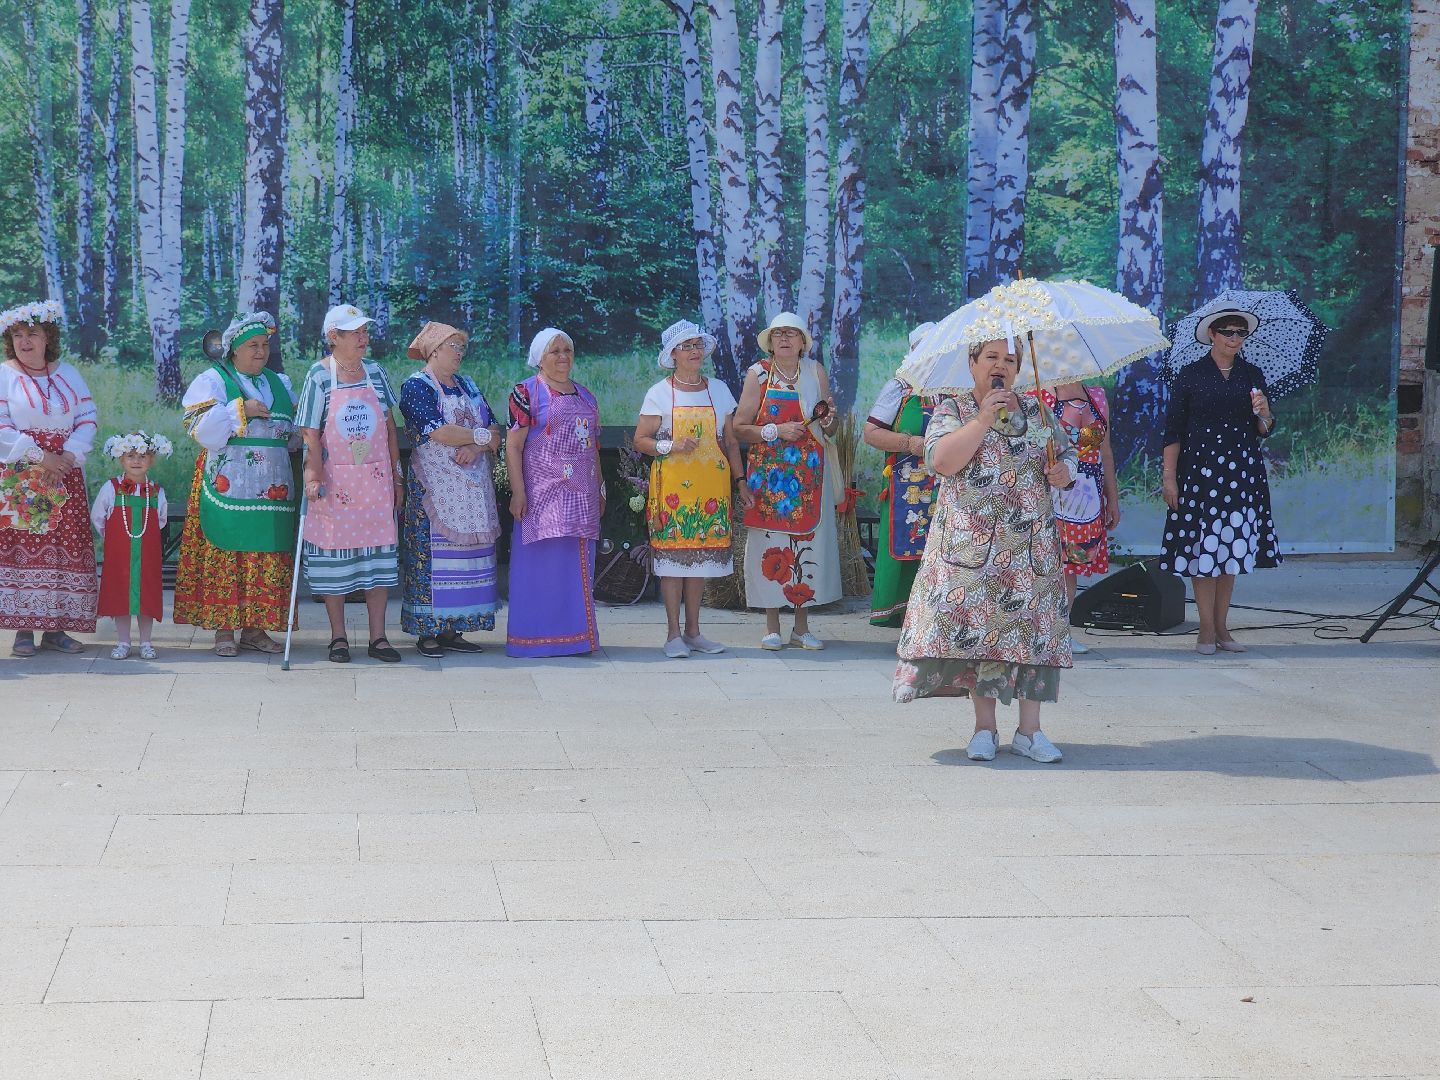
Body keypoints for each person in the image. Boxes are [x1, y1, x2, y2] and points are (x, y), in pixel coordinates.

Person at [893, 338, 1079, 764]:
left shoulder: (1035, 411)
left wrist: (1062, 472)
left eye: (1010, 361)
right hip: (973, 548)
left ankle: (1030, 731)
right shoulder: (953, 410)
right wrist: (982, 418)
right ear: (973, 363)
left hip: (1031, 550)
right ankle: (984, 729)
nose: (1001, 367)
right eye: (992, 358)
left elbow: (1067, 463)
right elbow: (941, 460)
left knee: (1034, 636)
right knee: (982, 634)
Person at [174, 312, 299, 656]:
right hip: (228, 482)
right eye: (252, 346)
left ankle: (255, 630)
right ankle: (224, 630)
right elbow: (202, 431)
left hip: (271, 487)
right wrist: (239, 409)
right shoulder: (213, 380)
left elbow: (294, 436)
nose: (260, 352)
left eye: (264, 345)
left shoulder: (278, 382)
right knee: (226, 550)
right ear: (233, 350)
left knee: (262, 552)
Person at [1159, 307, 1279, 654]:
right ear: (1211, 334)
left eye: (1241, 333)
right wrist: (1170, 478)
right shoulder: (1191, 375)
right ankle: (1205, 630)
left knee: (1232, 551)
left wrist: (1265, 413)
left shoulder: (1251, 374)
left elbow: (1264, 430)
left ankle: (1223, 628)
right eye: (1227, 331)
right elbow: (1173, 430)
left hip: (1241, 473)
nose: (1235, 338)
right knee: (1203, 551)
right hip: (1199, 472)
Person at [634, 320, 752, 658]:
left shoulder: (719, 390)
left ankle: (694, 632)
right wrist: (669, 445)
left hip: (710, 490)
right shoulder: (659, 393)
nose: (695, 351)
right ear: (672, 354)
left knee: (698, 563)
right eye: (687, 346)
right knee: (673, 563)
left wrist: (740, 481)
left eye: (698, 345)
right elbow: (642, 440)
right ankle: (672, 635)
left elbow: (730, 442)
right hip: (672, 490)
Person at [297, 304, 404, 664]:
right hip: (336, 484)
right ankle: (338, 637)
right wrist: (312, 476)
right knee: (335, 563)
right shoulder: (319, 376)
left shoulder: (375, 372)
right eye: (355, 332)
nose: (363, 338)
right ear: (334, 337)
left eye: (364, 331)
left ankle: (379, 638)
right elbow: (310, 434)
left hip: (375, 484)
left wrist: (397, 476)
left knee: (377, 562)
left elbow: (389, 427)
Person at [733, 311, 842, 650]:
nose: (784, 339)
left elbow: (830, 427)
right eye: (778, 333)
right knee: (771, 547)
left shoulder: (815, 372)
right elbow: (739, 426)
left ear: (802, 342)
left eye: (791, 334)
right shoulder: (758, 375)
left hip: (809, 477)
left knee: (806, 546)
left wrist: (828, 424)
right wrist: (775, 431)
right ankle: (771, 625)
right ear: (770, 341)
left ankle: (801, 626)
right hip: (770, 478)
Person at [0, 299, 98, 657]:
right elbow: (1, 427)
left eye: (33, 334)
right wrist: (42, 457)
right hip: (24, 472)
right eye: (18, 335)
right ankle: (23, 629)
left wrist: (69, 455)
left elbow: (88, 416)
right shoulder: (4, 374)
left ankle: (55, 629)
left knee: (61, 548)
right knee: (26, 549)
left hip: (65, 472)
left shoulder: (67, 372)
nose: (25, 341)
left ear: (47, 338)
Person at [398, 321, 501, 657]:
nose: (460, 353)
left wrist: (477, 446)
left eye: (462, 348)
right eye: (454, 346)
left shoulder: (469, 386)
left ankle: (454, 627)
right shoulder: (417, 387)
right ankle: (428, 630)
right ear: (434, 349)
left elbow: (494, 427)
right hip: (435, 485)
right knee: (432, 556)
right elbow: (438, 431)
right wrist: (479, 437)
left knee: (466, 559)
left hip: (471, 488)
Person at [505, 327, 604, 657]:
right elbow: (513, 446)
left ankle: (574, 638)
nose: (563, 356)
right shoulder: (526, 393)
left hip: (581, 495)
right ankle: (533, 639)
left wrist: (600, 488)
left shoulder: (587, 396)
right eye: (555, 351)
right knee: (539, 569)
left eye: (568, 350)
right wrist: (518, 493)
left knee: (575, 568)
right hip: (542, 495)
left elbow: (594, 448)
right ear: (540, 358)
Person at [862, 321, 947, 628]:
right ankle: (906, 619)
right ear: (913, 351)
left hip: (946, 485)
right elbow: (871, 433)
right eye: (925, 349)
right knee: (907, 547)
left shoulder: (956, 390)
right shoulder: (899, 387)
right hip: (906, 488)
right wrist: (910, 443)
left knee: (943, 549)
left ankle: (939, 621)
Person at [1036, 381, 1120, 655]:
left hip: (1087, 496)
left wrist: (1112, 499)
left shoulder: (1096, 396)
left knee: (1072, 566)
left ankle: (1062, 632)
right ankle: (1038, 632)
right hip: (1051, 492)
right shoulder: (1040, 395)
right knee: (1047, 563)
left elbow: (1104, 452)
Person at [92, 431, 172, 659]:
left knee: (146, 594)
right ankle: (123, 641)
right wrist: (114, 539)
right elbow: (98, 517)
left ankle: (146, 642)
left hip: (146, 554)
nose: (136, 461)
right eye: (130, 456)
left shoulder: (156, 491)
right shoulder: (111, 488)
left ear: (151, 460)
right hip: (120, 554)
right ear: (121, 459)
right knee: (120, 595)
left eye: (143, 456)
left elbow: (161, 520)